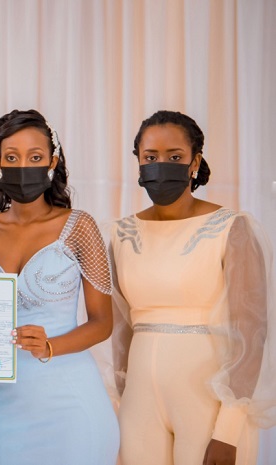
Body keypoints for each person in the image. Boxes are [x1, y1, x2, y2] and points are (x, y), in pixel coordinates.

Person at [110, 110, 276, 465]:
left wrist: (229, 429)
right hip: (138, 409)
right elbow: (120, 330)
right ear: (138, 162)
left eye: (174, 157)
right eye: (150, 157)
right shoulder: (121, 233)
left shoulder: (231, 227)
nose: (160, 165)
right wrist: (121, 401)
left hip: (209, 408)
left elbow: (252, 332)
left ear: (195, 162)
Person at [0, 109, 119, 465]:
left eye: (35, 157)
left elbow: (103, 323)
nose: (23, 166)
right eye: (12, 157)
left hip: (72, 406)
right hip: (3, 410)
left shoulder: (79, 226)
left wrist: (50, 345)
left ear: (52, 161)